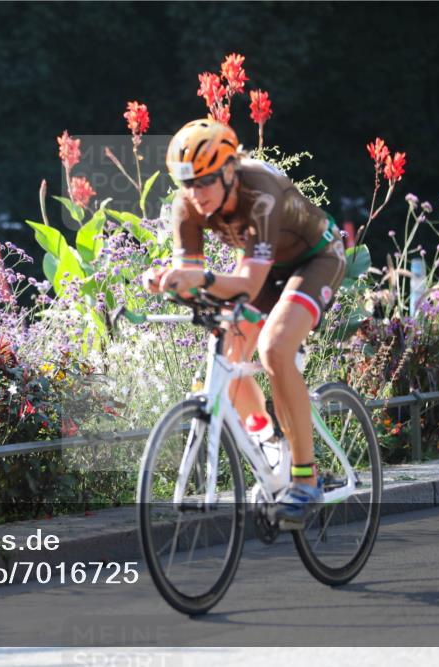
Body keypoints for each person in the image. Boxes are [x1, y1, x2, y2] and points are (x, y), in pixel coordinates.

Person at [141, 118, 346, 526]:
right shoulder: (187, 205)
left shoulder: (260, 195)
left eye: (204, 182)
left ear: (230, 171)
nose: (195, 195)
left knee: (274, 348)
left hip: (315, 260)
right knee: (229, 357)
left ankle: (306, 479)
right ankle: (268, 441)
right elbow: (194, 273)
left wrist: (201, 279)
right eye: (186, 184)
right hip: (263, 270)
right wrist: (168, 280)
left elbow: (249, 284)